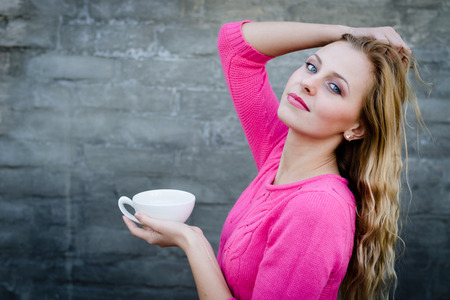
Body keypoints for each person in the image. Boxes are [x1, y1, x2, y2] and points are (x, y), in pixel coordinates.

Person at [122, 19, 424, 300]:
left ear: (357, 127)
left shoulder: (316, 209)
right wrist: (347, 32)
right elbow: (236, 47)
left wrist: (193, 242)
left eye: (335, 87)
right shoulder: (277, 154)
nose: (309, 83)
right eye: (311, 66)